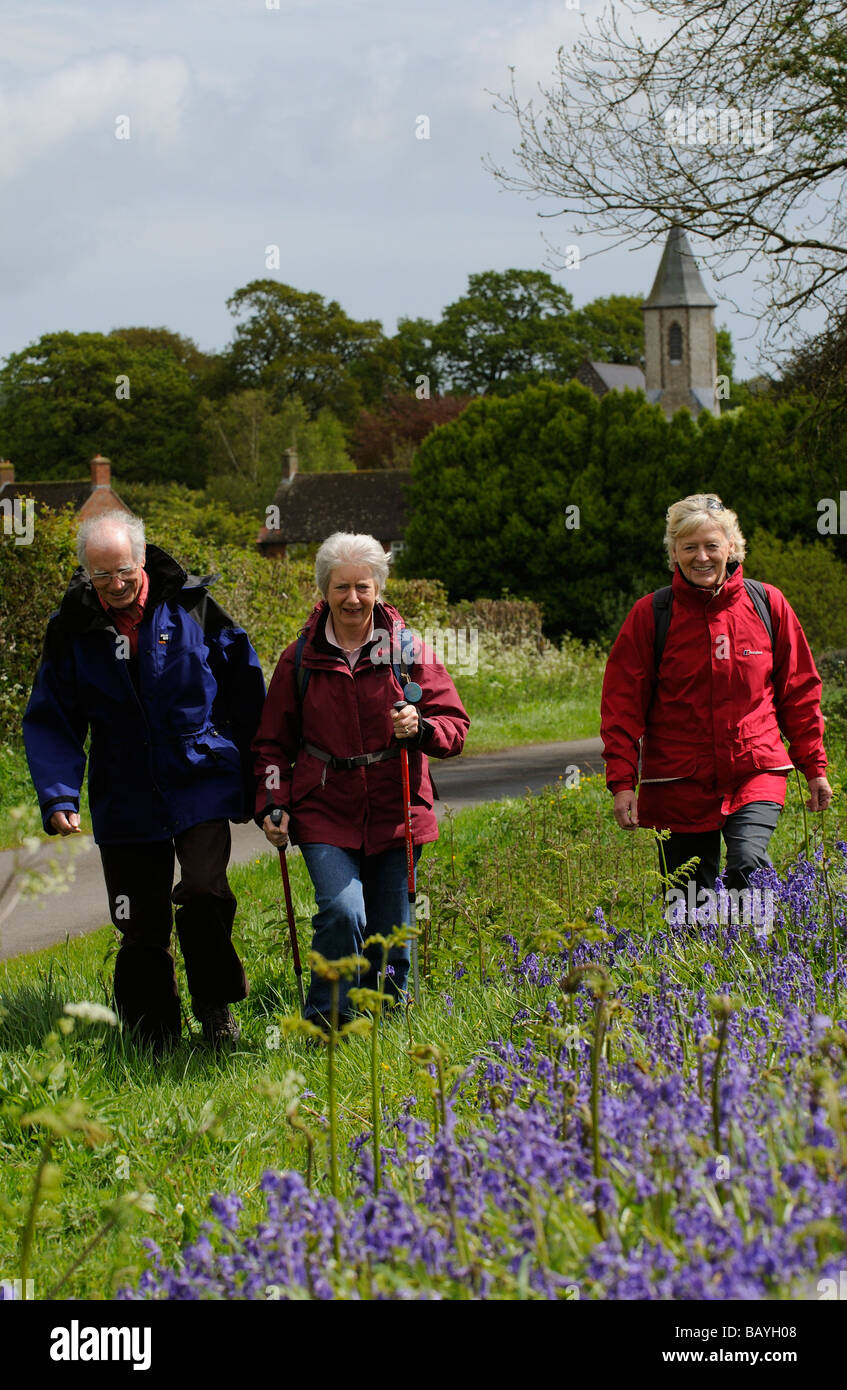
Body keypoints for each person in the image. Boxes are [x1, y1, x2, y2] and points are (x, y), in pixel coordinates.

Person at [23, 510, 266, 1050]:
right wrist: (59, 791)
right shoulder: (72, 627)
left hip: (197, 773)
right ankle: (153, 1034)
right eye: (101, 575)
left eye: (124, 571)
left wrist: (261, 773)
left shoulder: (192, 605)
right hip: (123, 786)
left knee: (204, 891)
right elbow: (52, 716)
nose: (115, 585)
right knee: (139, 918)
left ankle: (215, 1002)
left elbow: (245, 685)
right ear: (87, 572)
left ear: (142, 559)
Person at [254, 531, 469, 1028]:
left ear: (379, 588)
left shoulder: (410, 650)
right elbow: (270, 744)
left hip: (398, 811)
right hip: (324, 810)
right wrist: (271, 804)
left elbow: (455, 727)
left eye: (363, 587)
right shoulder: (300, 657)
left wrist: (421, 728)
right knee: (343, 912)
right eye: (341, 587)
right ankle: (327, 1026)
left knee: (392, 933)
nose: (352, 598)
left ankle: (390, 1030)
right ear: (323, 592)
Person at [601, 494, 832, 918]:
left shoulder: (768, 604)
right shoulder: (651, 615)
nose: (701, 557)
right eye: (689, 547)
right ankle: (698, 973)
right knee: (689, 902)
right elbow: (621, 707)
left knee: (748, 865)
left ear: (732, 546)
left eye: (711, 545)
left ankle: (760, 958)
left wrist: (813, 767)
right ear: (674, 553)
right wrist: (621, 782)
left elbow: (799, 691)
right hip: (676, 780)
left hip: (754, 768)